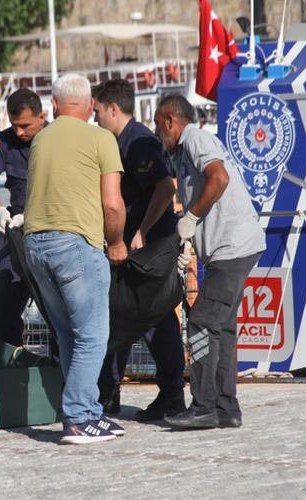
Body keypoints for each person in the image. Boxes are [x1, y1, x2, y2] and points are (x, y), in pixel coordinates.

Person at [24, 73, 128, 444]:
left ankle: (89, 412)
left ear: (53, 105)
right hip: (75, 244)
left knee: (69, 335)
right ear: (90, 106)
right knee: (93, 337)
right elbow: (112, 204)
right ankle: (80, 418)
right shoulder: (101, 138)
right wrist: (115, 242)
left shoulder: (40, 139)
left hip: (35, 245)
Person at [154, 94, 266, 429]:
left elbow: (219, 178)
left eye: (160, 127)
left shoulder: (194, 139)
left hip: (231, 248)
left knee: (202, 322)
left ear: (171, 120)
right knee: (222, 328)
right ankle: (225, 408)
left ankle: (203, 406)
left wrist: (190, 217)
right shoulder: (185, 151)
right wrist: (191, 239)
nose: (159, 134)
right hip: (232, 248)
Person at [92, 79, 185, 420]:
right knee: (118, 317)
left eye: (98, 111)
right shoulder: (121, 141)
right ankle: (109, 393)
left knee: (155, 320)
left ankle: (172, 393)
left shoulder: (138, 141)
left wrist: (141, 231)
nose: (96, 118)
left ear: (113, 109)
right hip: (133, 248)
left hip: (148, 249)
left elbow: (165, 187)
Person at [0, 89, 46, 347]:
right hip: (17, 234)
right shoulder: (4, 142)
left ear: (42, 116)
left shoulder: (54, 139)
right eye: (13, 125)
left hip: (52, 230)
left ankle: (60, 376)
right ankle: (10, 370)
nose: (18, 132)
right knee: (4, 307)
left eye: (25, 125)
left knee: (60, 313)